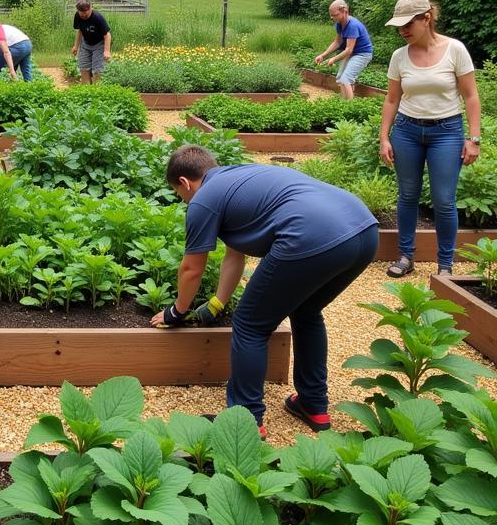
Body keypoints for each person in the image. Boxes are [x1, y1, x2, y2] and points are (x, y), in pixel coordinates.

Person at [150, 144, 378, 435]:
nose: (183, 201)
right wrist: (217, 304)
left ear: (184, 182)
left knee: (249, 324)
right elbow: (235, 255)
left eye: (178, 194)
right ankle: (312, 404)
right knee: (306, 310)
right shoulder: (238, 180)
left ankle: (245, 420)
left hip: (311, 234)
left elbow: (191, 269)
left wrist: (176, 311)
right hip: (363, 230)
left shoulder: (203, 199)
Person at [379, 0, 481, 278]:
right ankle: (405, 256)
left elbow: (471, 96)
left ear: (427, 18)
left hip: (447, 132)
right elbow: (391, 100)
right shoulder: (399, 56)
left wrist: (474, 139)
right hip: (407, 131)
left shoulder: (455, 50)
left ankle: (445, 265)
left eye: (408, 24)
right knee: (407, 195)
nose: (403, 31)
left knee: (444, 199)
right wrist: (384, 137)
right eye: (399, 26)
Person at [314, 0, 374, 99]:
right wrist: (323, 55)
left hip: (362, 54)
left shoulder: (353, 25)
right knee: (340, 77)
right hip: (351, 53)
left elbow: (348, 50)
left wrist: (333, 59)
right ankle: (343, 102)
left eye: (334, 15)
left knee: (346, 79)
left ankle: (349, 108)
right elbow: (337, 42)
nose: (332, 17)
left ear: (344, 11)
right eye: (331, 15)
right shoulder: (339, 24)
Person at [71, 0, 111, 85]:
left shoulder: (97, 17)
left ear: (90, 8)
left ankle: (97, 91)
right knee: (84, 68)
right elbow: (80, 31)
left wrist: (107, 51)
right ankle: (87, 92)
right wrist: (76, 46)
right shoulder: (77, 16)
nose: (83, 16)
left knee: (98, 71)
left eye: (85, 14)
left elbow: (107, 35)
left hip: (99, 45)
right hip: (86, 44)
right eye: (81, 15)